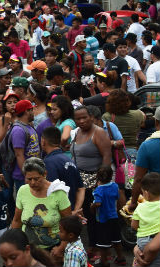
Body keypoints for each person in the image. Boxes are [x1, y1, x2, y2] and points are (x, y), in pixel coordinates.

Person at [71, 106, 112, 251]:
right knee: (86, 216)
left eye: (84, 117)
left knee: (95, 217)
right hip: (80, 182)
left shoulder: (99, 133)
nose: (81, 121)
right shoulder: (77, 132)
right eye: (78, 119)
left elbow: (107, 157)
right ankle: (92, 245)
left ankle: (96, 248)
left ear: (91, 117)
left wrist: (100, 182)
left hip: (94, 183)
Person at [11, 158, 72, 251]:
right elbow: (16, 221)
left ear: (45, 174)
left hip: (53, 248)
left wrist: (61, 248)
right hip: (28, 248)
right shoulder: (23, 191)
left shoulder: (58, 193)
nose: (32, 182)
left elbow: (68, 224)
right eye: (29, 179)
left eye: (36, 179)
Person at [40, 127, 84, 212]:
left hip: (58, 215)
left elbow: (50, 192)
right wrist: (75, 211)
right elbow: (81, 189)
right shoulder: (70, 160)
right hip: (70, 213)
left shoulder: (48, 163)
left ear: (43, 141)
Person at [91, 166, 124, 267]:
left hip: (103, 219)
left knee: (103, 243)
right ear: (111, 176)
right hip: (114, 216)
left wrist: (92, 206)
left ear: (98, 178)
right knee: (116, 239)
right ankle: (121, 258)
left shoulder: (98, 190)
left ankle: (104, 262)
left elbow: (98, 204)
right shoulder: (115, 186)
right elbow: (117, 198)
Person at [132, 173, 160, 252]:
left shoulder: (140, 207)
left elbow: (134, 225)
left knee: (144, 261)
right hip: (157, 239)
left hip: (142, 240)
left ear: (147, 194)